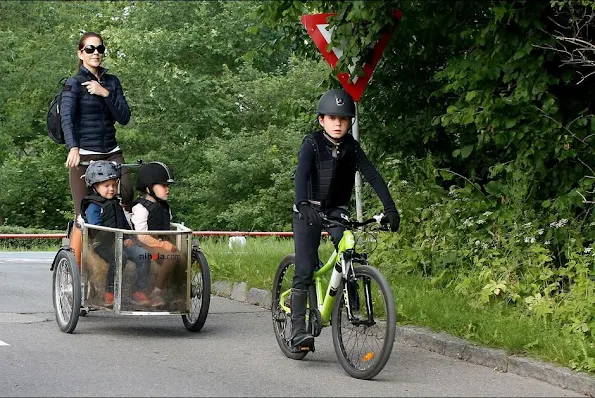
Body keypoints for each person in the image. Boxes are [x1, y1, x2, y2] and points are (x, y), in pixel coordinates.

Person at [290, 89, 401, 349]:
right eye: (331, 118)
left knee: (348, 246)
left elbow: (372, 175)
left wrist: (391, 208)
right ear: (321, 120)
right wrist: (301, 203)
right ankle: (297, 330)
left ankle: (353, 305)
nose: (337, 123)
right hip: (308, 209)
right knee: (305, 270)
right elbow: (301, 175)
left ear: (350, 121)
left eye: (343, 118)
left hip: (336, 209)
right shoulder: (312, 143)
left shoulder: (352, 147)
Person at [61, 31, 133, 218]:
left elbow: (124, 117)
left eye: (99, 48)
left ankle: (122, 241)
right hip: (85, 153)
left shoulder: (112, 82)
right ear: (80, 53)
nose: (96, 53)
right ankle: (75, 247)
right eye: (90, 49)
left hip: (111, 151)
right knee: (82, 213)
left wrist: (105, 93)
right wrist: (73, 148)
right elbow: (66, 118)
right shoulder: (74, 83)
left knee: (126, 194)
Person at [80, 160, 151, 308]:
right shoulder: (93, 206)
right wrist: (115, 240)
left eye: (113, 185)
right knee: (120, 257)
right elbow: (97, 230)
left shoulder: (115, 203)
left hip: (121, 241)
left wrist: (128, 237)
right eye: (106, 186)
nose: (111, 189)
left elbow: (123, 224)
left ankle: (139, 291)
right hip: (102, 244)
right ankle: (109, 292)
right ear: (94, 186)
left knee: (143, 254)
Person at [130, 162, 181, 308]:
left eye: (168, 186)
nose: (167, 190)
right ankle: (156, 292)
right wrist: (163, 245)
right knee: (172, 257)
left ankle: (177, 291)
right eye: (163, 186)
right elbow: (141, 236)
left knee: (182, 257)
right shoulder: (140, 208)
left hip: (160, 244)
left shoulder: (164, 207)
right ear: (149, 188)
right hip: (145, 247)